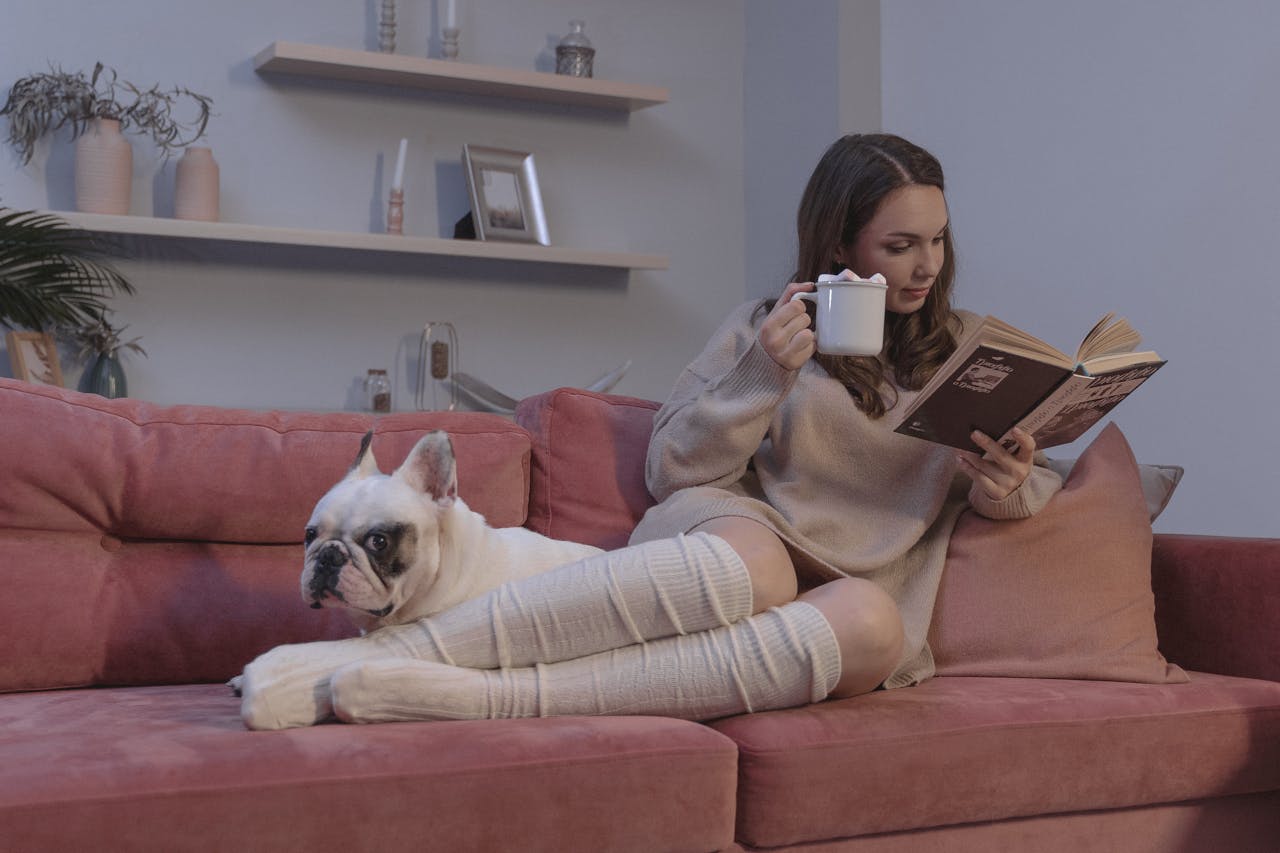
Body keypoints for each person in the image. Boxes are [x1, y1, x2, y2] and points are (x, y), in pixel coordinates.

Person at [256, 134, 1063, 728]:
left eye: (937, 240)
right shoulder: (766, 326)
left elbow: (1028, 482)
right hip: (737, 535)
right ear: (840, 246)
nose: (926, 265)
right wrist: (766, 371)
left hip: (844, 592)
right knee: (768, 565)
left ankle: (482, 696)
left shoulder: (971, 347)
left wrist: (1008, 482)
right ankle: (386, 658)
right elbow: (675, 465)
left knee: (880, 626)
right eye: (899, 245)